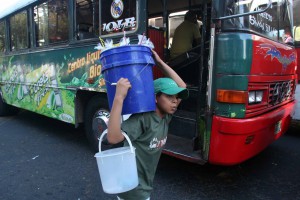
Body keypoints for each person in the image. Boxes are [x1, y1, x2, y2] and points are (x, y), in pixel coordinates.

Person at [106, 50, 189, 200]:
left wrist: (160, 63)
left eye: (176, 97)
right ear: (155, 98)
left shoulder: (165, 117)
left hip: (144, 185)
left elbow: (181, 85)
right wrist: (119, 97)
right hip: (132, 188)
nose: (175, 101)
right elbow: (112, 138)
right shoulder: (144, 119)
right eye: (169, 96)